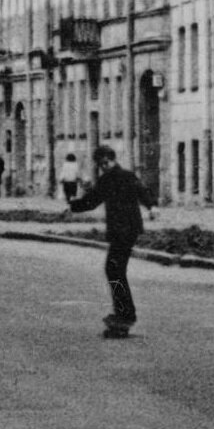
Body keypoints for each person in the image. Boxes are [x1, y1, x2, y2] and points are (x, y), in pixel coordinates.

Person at [65, 143, 147, 338]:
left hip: (123, 231)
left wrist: (73, 206)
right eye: (102, 164)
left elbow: (92, 201)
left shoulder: (114, 178)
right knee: (115, 270)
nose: (105, 166)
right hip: (128, 230)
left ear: (111, 159)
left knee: (114, 269)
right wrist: (151, 206)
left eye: (106, 162)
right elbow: (143, 192)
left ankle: (125, 314)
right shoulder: (122, 176)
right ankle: (124, 313)